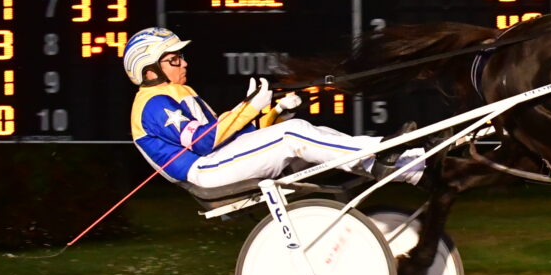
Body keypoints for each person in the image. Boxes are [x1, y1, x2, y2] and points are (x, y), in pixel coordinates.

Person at [123, 27, 425, 188]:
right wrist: (250, 105)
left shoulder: (178, 92)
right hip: (204, 171)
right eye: (174, 59)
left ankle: (408, 164)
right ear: (149, 70)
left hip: (218, 160)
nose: (184, 62)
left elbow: (235, 136)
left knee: (303, 129)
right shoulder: (152, 105)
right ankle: (385, 152)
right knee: (292, 136)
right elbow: (204, 143)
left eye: (181, 57)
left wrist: (276, 111)